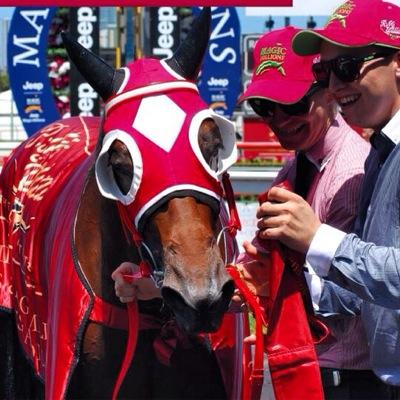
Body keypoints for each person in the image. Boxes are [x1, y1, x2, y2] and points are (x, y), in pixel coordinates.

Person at [256, 0, 400, 394]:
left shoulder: (360, 159)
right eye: (324, 71)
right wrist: (268, 282)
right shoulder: (380, 154)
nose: (336, 86)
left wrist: (316, 239)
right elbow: (361, 287)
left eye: (347, 68)